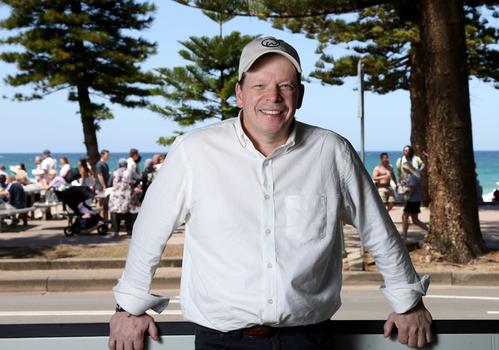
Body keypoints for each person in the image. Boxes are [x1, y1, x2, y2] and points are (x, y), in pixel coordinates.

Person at [109, 36, 432, 350]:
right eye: (259, 85)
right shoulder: (194, 150)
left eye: (285, 86)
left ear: (300, 95)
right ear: (239, 93)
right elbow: (150, 231)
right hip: (221, 342)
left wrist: (408, 303)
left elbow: (377, 230)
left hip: (309, 340)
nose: (273, 97)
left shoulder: (332, 151)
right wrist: (128, 308)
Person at [108, 159, 138, 238]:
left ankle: (116, 231)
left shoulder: (114, 173)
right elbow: (136, 179)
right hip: (126, 195)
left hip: (115, 196)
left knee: (115, 212)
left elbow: (109, 183)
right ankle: (128, 230)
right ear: (126, 165)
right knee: (127, 213)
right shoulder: (129, 172)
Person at [400, 162, 428, 240]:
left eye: (404, 168)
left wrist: (407, 196)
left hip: (412, 201)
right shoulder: (413, 176)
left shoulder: (413, 177)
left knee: (405, 217)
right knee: (415, 220)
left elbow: (412, 189)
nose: (403, 170)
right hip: (416, 200)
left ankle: (404, 236)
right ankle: (429, 231)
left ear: (407, 168)